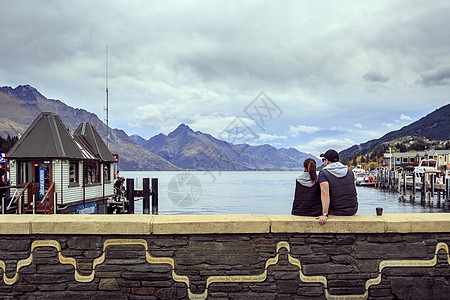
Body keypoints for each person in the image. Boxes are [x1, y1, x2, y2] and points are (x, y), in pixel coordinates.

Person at [317, 149, 358, 225]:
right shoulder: (349, 171)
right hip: (352, 210)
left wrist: (324, 214)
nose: (323, 162)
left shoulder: (324, 173)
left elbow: (325, 194)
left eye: (323, 160)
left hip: (335, 211)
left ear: (327, 161)